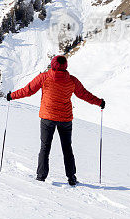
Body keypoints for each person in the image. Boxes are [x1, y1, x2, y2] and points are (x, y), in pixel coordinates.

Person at [6, 55, 104, 185]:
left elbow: (28, 90)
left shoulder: (44, 77)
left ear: (52, 65)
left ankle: (41, 176)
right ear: (65, 66)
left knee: (45, 148)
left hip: (48, 118)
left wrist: (12, 95)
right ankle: (71, 177)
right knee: (67, 148)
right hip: (65, 119)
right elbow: (84, 94)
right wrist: (99, 102)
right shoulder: (72, 80)